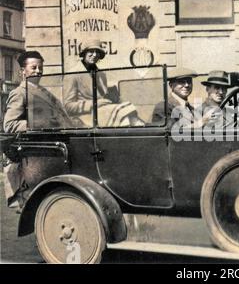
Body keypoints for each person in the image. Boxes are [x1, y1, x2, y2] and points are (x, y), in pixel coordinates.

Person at [3, 51, 72, 209]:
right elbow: (10, 124)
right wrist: (39, 123)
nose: (38, 71)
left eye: (40, 67)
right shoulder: (19, 93)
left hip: (58, 146)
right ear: (23, 71)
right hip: (39, 153)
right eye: (33, 67)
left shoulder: (45, 93)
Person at [63, 39, 143, 127]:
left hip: (105, 111)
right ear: (84, 53)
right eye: (91, 51)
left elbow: (103, 95)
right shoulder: (73, 74)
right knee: (123, 115)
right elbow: (68, 106)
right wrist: (94, 104)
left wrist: (113, 97)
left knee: (129, 114)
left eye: (97, 52)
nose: (94, 55)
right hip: (86, 116)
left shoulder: (101, 74)